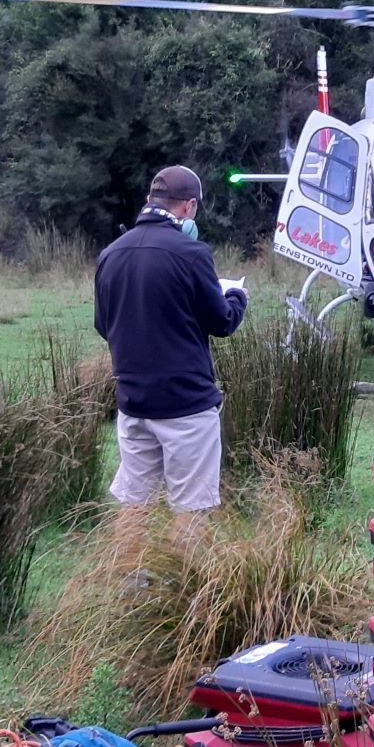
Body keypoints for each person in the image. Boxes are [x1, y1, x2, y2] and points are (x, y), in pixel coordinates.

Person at [93, 164, 248, 516]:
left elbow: (105, 326)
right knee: (191, 509)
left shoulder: (110, 254)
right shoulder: (192, 253)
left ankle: (128, 573)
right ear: (189, 206)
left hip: (133, 402)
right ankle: (183, 573)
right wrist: (237, 296)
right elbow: (221, 322)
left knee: (135, 503)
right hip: (186, 406)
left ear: (150, 199)